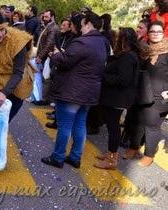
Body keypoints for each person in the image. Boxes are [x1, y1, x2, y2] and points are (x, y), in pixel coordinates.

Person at [41, 12, 108, 169]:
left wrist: (56, 55)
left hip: (73, 92)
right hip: (89, 92)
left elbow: (65, 61)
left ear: (88, 24)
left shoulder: (82, 42)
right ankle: (75, 157)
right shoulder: (103, 42)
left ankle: (57, 157)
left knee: (65, 126)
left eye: (82, 24)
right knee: (80, 125)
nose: (80, 27)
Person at [93, 28, 141, 170]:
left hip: (117, 99)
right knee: (112, 126)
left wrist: (103, 76)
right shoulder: (130, 55)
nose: (117, 40)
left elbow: (123, 79)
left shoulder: (127, 56)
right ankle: (110, 153)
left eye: (120, 37)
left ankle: (112, 159)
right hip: (117, 98)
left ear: (124, 39)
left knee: (113, 128)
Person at [124, 21, 168, 167]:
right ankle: (133, 148)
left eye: (159, 31)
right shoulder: (145, 50)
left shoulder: (166, 51)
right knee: (135, 122)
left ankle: (149, 155)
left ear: (163, 34)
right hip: (141, 92)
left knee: (151, 126)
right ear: (148, 34)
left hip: (158, 97)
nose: (155, 34)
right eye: (152, 31)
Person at [34, 9, 60, 106]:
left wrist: (40, 56)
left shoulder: (53, 28)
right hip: (43, 54)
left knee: (46, 77)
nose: (44, 19)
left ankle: (44, 99)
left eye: (46, 17)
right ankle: (39, 96)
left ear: (52, 17)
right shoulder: (47, 26)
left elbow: (49, 43)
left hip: (47, 55)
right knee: (41, 76)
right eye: (43, 17)